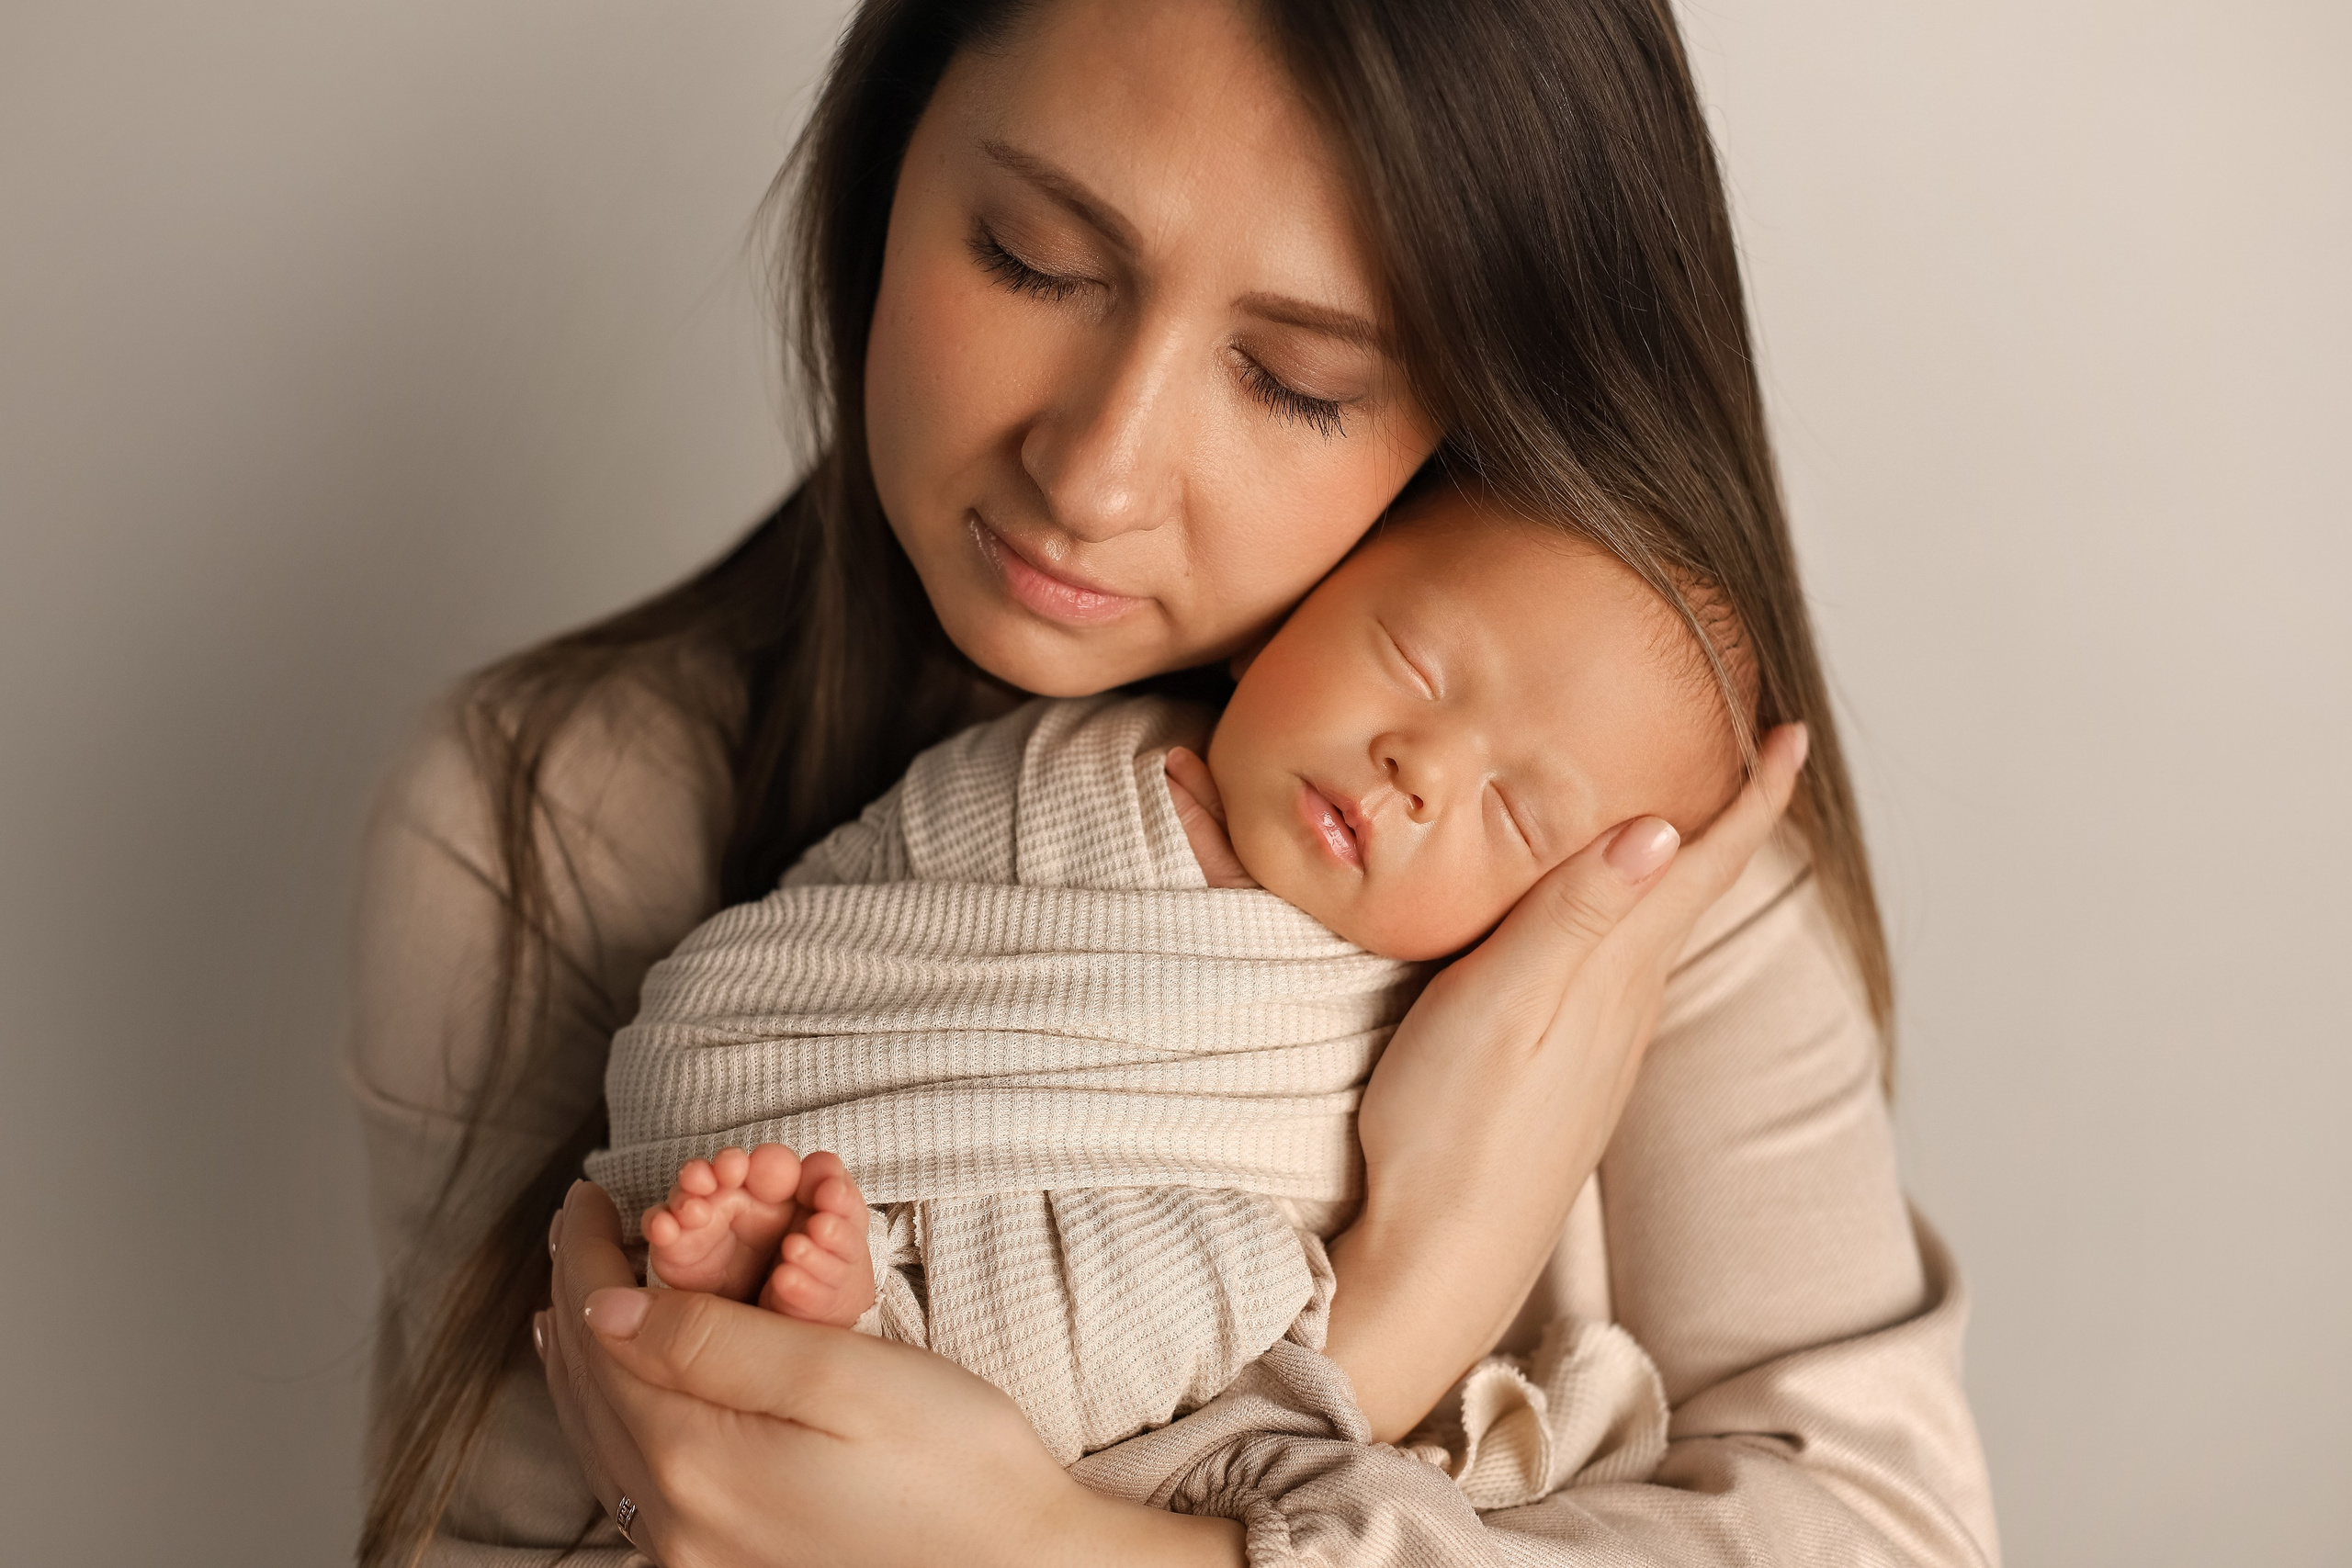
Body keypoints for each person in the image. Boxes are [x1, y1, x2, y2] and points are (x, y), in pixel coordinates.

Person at [352, 1, 1997, 1564]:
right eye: (1034, 258)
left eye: (1298, 380)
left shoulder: (1620, 866)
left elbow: (1886, 1530)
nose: (1096, 470)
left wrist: (1056, 1545)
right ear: (890, 161)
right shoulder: (549, 820)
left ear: (1478, 415)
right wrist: (1407, 1293)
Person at [612, 486, 1758, 1472]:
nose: (1421, 764)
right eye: (1412, 662)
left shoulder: (1397, 1030)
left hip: (1083, 1269)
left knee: (1218, 1278)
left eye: (1512, 811)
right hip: (772, 1073)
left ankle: (866, 1321)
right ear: (1285, 619)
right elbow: (854, 898)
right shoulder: (1067, 762)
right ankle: (813, 1278)